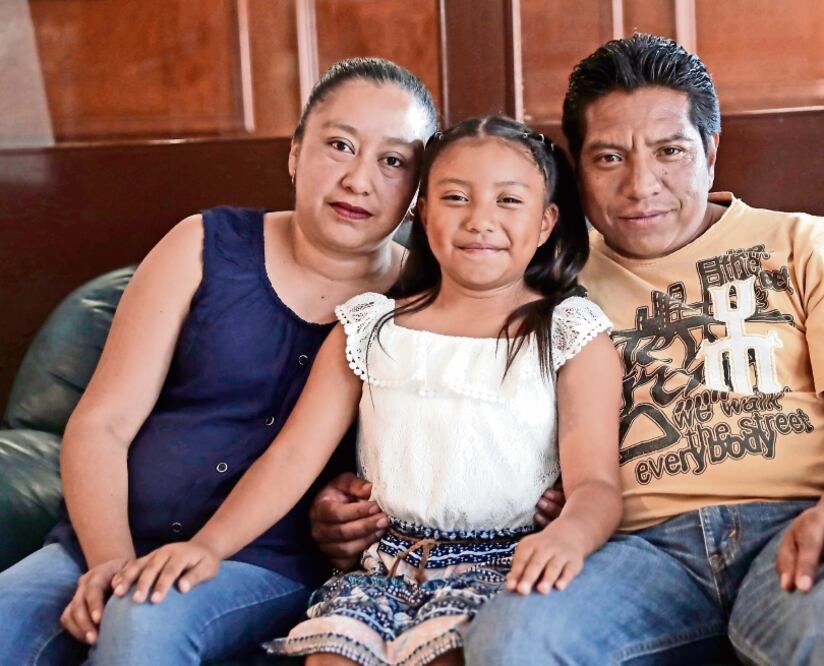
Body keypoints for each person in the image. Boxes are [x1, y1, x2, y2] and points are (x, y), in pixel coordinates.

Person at [321, 36, 824, 664]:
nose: (641, 185)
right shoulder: (540, 277)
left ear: (710, 151)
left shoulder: (813, 245)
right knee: (515, 640)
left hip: (796, 524)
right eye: (608, 158)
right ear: (574, 173)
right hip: (633, 553)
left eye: (670, 151)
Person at [109, 114, 623, 666]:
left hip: (504, 568)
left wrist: (569, 536)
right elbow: (290, 458)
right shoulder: (369, 326)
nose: (480, 221)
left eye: (508, 201)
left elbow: (596, 482)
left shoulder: (570, 332)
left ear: (546, 222)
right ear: (422, 212)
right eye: (455, 197)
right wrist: (207, 547)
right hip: (381, 569)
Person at [0, 57, 441, 665]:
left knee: (144, 624)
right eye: (339, 145)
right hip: (104, 539)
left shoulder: (424, 304)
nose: (359, 179)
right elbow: (101, 424)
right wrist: (109, 564)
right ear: (294, 153)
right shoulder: (201, 245)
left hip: (268, 562)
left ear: (417, 190)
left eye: (393, 161)